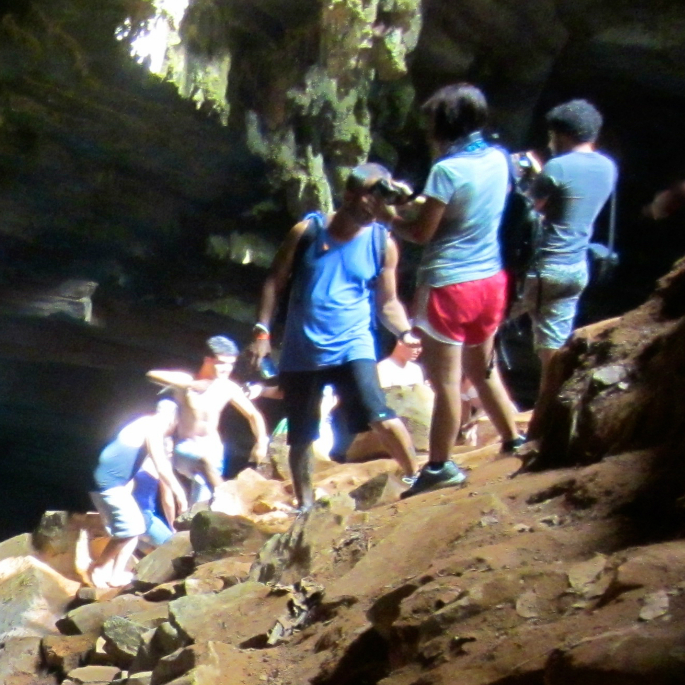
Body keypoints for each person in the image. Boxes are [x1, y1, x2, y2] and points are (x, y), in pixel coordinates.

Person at [249, 163, 420, 511]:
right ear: (350, 195)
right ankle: (306, 504)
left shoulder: (382, 243)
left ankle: (417, 476)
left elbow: (387, 301)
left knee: (377, 411)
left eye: (380, 200)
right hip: (303, 350)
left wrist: (405, 331)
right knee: (301, 433)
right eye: (369, 198)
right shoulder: (308, 231)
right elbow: (275, 280)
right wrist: (262, 330)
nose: (373, 208)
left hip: (352, 343)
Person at [390, 82, 525, 494]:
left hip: (450, 284)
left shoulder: (446, 170)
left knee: (445, 383)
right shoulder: (499, 159)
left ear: (444, 125)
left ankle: (439, 466)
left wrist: (386, 215)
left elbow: (421, 233)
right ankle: (514, 438)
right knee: (482, 369)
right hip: (490, 280)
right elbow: (473, 210)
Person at [516, 99, 618, 358]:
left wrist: (525, 177)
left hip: (543, 267)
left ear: (560, 134)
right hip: (575, 268)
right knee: (553, 346)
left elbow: (529, 208)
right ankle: (550, 398)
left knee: (483, 325)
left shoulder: (558, 166)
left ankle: (466, 391)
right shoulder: (609, 167)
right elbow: (570, 198)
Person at [144, 336, 269, 509]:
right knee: (207, 466)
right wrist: (190, 384)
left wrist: (262, 441)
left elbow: (253, 414)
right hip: (187, 447)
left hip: (213, 450)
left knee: (201, 505)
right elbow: (152, 375)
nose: (227, 369)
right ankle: (232, 505)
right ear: (208, 359)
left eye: (231, 364)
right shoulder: (187, 380)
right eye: (222, 363)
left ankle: (193, 528)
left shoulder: (228, 387)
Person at [87, 400, 185, 591]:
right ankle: (99, 568)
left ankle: (115, 575)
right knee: (133, 528)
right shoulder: (154, 424)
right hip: (108, 482)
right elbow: (160, 463)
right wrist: (179, 491)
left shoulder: (143, 423)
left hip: (110, 482)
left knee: (133, 529)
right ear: (172, 420)